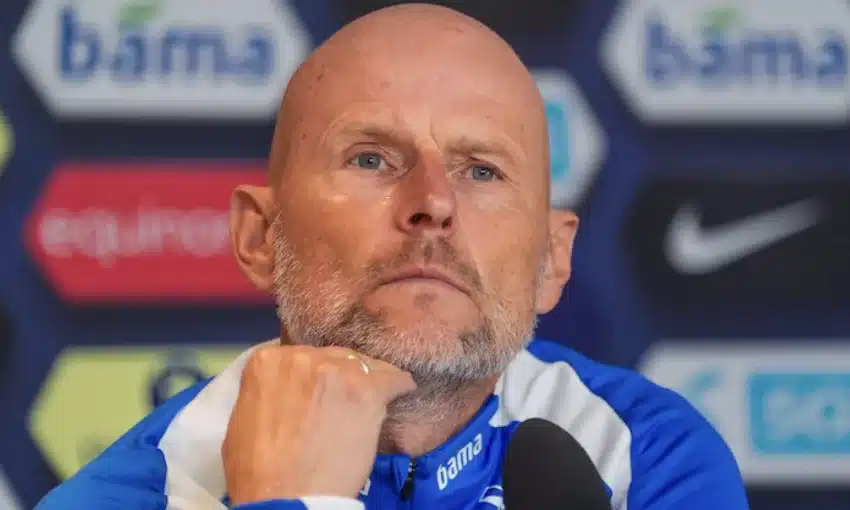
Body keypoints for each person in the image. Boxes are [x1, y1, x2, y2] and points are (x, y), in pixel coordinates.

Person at [37, 4, 750, 510]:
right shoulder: (128, 496)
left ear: (552, 261)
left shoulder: (647, 459)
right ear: (260, 238)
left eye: (481, 171)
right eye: (371, 158)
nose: (433, 202)